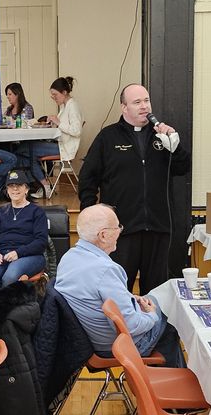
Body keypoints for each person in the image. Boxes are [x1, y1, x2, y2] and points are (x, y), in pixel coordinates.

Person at [79, 83, 191, 294]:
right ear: (124, 107)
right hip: (121, 230)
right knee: (118, 290)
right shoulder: (108, 137)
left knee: (157, 293)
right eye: (137, 102)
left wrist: (175, 147)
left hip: (158, 227)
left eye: (146, 101)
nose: (144, 106)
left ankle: (155, 317)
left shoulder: (161, 136)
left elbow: (183, 168)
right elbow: (88, 178)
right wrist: (89, 212)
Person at [56, 204, 184, 367]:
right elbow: (131, 327)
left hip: (86, 342)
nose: (120, 231)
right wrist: (152, 316)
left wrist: (128, 299)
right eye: (117, 227)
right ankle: (168, 379)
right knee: (169, 316)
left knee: (156, 300)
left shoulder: (69, 258)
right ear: (103, 235)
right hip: (117, 346)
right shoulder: (106, 270)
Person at [0, 169, 48, 292]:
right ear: (7, 190)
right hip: (2, 254)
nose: (15, 189)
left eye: (19, 185)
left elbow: (41, 242)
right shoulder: (1, 212)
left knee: (10, 277)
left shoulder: (37, 212)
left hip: (29, 255)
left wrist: (18, 253)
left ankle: (9, 303)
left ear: (26, 189)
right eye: (11, 186)